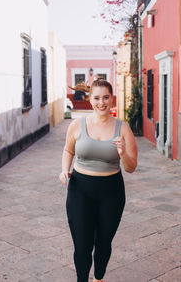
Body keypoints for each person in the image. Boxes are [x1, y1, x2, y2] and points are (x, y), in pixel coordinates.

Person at [59, 79, 138, 282]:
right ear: (89, 98)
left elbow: (130, 168)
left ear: (112, 99)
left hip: (111, 191)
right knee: (82, 244)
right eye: (96, 98)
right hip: (80, 190)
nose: (101, 103)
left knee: (103, 242)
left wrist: (122, 153)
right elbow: (68, 150)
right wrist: (64, 170)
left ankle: (99, 278)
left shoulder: (123, 128)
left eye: (106, 97)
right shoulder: (77, 125)